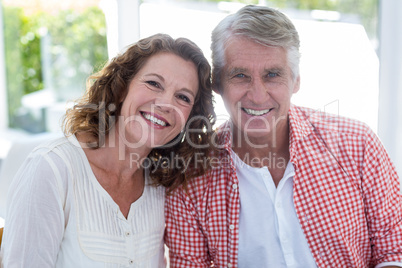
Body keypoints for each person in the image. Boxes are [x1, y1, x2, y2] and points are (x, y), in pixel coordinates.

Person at [165, 5, 402, 268]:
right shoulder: (191, 179)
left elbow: (394, 250)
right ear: (217, 84)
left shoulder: (357, 144)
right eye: (240, 75)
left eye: (272, 75)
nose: (257, 95)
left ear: (296, 80)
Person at [0, 33, 215, 267]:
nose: (165, 104)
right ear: (122, 87)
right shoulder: (51, 169)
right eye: (153, 83)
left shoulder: (161, 185)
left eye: (182, 97)